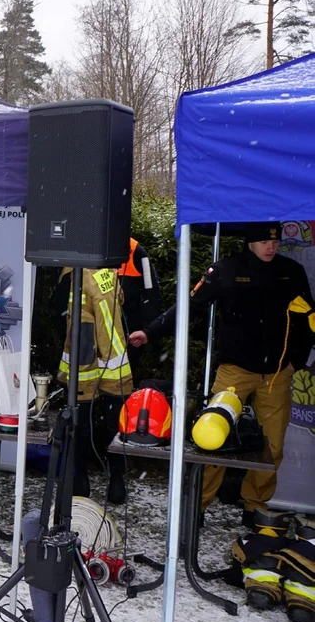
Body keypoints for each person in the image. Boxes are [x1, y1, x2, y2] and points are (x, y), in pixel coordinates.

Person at [130, 222, 313, 527]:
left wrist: (297, 360)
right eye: (264, 242)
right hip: (235, 370)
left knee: (273, 447)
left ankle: (255, 505)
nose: (271, 247)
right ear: (249, 242)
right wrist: (150, 333)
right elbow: (189, 306)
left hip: (277, 373)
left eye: (275, 242)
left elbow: (308, 316)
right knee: (213, 438)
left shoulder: (290, 272)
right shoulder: (226, 269)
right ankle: (199, 505)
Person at [54, 266, 133, 505]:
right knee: (107, 422)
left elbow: (60, 312)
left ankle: (90, 479)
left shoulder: (74, 270)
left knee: (87, 420)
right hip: (99, 356)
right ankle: (108, 480)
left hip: (86, 355)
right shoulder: (107, 270)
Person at [116, 237, 162, 372]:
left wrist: (149, 331)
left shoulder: (135, 251)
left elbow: (151, 293)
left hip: (129, 327)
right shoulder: (87, 246)